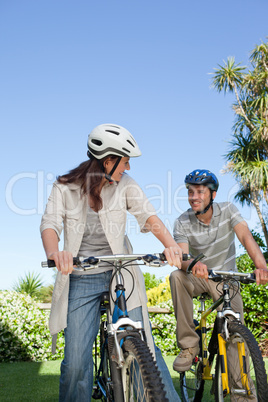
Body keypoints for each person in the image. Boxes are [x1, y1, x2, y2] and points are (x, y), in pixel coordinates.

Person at [40, 123, 182, 402]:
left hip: (121, 272)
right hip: (81, 274)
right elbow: (50, 225)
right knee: (77, 364)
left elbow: (149, 217)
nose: (127, 168)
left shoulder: (126, 185)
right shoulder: (64, 188)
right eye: (125, 162)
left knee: (146, 349)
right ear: (108, 160)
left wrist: (172, 246)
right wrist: (56, 253)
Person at [169, 169, 268, 374]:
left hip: (227, 279)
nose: (194, 197)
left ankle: (242, 395)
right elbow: (183, 257)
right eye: (190, 192)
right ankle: (189, 345)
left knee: (235, 338)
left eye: (200, 192)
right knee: (177, 276)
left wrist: (261, 266)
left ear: (213, 195)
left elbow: (245, 237)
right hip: (199, 277)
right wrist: (194, 264)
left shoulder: (228, 210)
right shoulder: (182, 221)